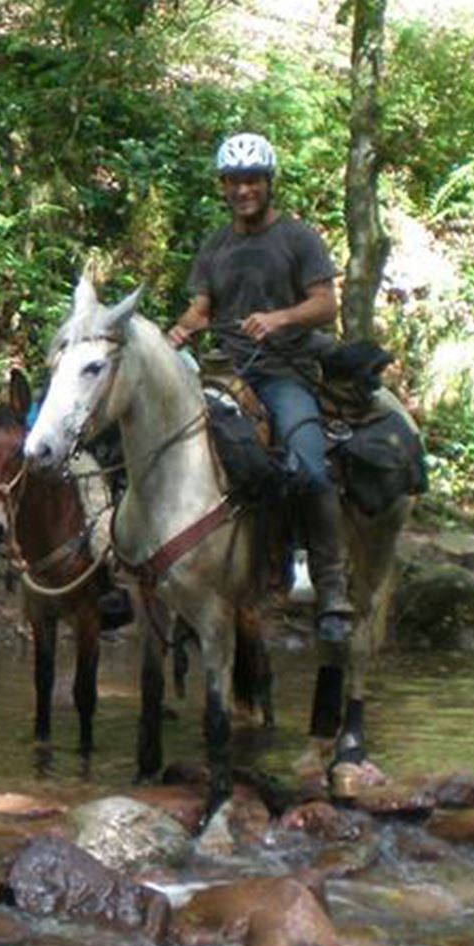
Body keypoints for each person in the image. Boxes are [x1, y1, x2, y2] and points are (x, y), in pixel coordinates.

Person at [166, 132, 351, 642]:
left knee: (310, 465)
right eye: (234, 181)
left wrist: (280, 318)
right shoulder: (216, 245)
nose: (243, 190)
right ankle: (187, 577)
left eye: (252, 180)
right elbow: (202, 307)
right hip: (223, 370)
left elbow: (325, 304)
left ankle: (330, 587)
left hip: (284, 372)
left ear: (269, 184)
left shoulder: (298, 239)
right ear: (223, 187)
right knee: (178, 458)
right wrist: (182, 329)